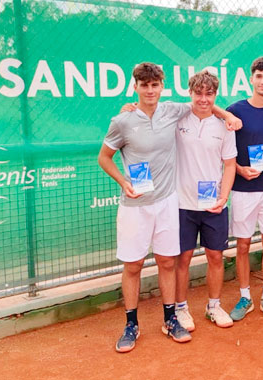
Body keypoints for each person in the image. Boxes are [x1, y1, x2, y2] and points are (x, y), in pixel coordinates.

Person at [99, 62, 240, 353]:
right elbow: (104, 157)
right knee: (141, 264)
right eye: (144, 85)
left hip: (177, 203)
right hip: (151, 204)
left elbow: (206, 107)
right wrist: (124, 181)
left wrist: (226, 113)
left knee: (182, 260)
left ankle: (180, 316)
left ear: (162, 87)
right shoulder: (131, 119)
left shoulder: (175, 112)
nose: (150, 90)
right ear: (136, 86)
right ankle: (139, 322)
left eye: (154, 85)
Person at [173, 70, 237, 331]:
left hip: (213, 205)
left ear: (215, 95)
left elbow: (230, 165)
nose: (203, 99)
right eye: (198, 93)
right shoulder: (177, 119)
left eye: (209, 94)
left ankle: (213, 306)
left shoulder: (225, 127)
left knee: (216, 257)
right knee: (183, 259)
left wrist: (224, 197)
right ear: (190, 93)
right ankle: (179, 309)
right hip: (181, 205)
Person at [225, 57, 263, 322]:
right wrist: (239, 169)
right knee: (242, 245)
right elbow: (222, 149)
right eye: (259, 76)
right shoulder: (234, 109)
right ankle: (245, 297)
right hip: (242, 189)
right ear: (251, 79)